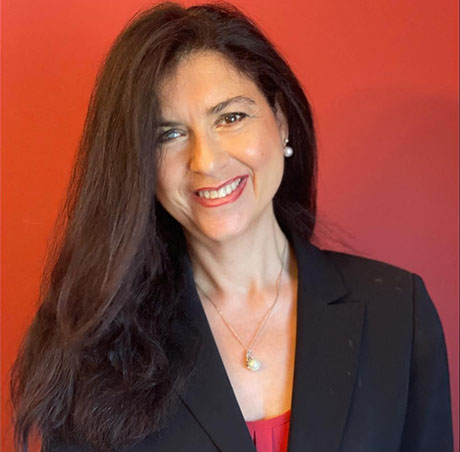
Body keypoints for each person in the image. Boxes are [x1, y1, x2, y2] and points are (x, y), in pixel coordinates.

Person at [10, 3, 453, 452]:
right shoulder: (95, 342)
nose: (206, 161)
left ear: (281, 122)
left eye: (231, 117)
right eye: (169, 135)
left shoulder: (398, 312)